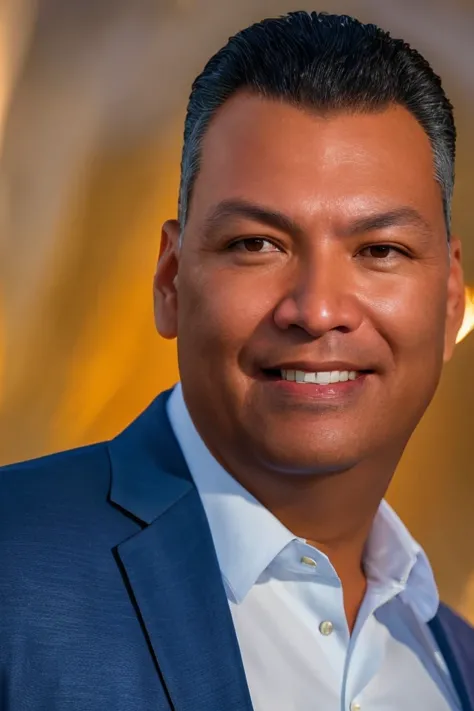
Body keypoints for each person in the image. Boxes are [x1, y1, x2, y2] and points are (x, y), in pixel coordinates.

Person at [0, 9, 472, 711]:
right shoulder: (15, 565)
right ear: (170, 283)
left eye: (380, 251)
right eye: (257, 244)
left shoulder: (453, 662)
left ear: (448, 305)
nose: (316, 309)